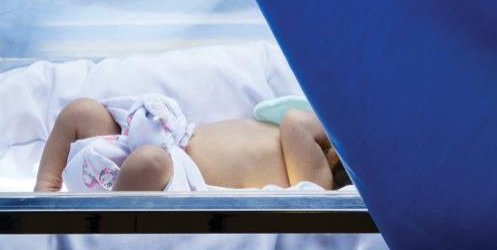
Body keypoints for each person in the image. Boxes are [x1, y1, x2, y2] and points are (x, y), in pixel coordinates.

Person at [34, 95, 351, 192]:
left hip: (174, 175)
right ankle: (45, 190)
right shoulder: (306, 149)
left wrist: (335, 133)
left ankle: (104, 223)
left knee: (150, 161)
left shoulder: (317, 183)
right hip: (165, 137)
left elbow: (295, 120)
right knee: (82, 112)